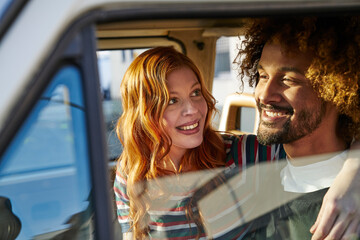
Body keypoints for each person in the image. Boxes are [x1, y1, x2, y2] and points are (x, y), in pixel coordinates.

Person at [114, 46, 360, 240]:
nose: (193, 110)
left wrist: (352, 175)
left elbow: (317, 143)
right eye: (172, 100)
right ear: (144, 112)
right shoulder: (130, 172)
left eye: (195, 93)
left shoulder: (239, 155)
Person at [230, 16, 360, 239]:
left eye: (288, 80)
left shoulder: (349, 207)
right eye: (263, 76)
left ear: (337, 88)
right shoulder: (248, 163)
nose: (264, 94)